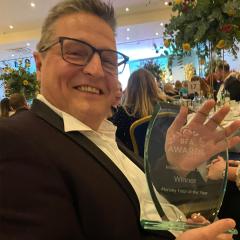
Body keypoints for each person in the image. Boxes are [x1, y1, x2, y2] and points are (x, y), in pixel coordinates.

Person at [0, 1, 239, 240]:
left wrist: (175, 167)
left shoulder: (102, 133)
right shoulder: (14, 142)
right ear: (39, 64)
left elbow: (132, 201)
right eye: (74, 53)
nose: (96, 70)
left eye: (108, 60)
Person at [111, 68, 172, 152]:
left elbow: (116, 141)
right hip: (165, 158)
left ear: (130, 88)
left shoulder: (124, 113)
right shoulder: (165, 109)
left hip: (136, 162)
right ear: (153, 86)